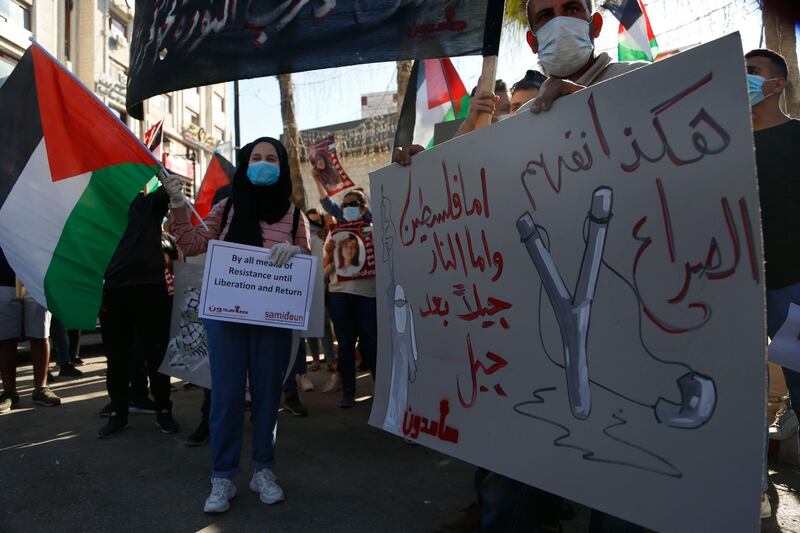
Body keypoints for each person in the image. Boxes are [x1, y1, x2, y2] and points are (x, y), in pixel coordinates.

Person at [164, 137, 310, 514]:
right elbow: (192, 244)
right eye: (257, 158)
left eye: (271, 158)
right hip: (225, 316)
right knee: (226, 397)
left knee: (266, 396)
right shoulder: (226, 209)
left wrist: (297, 253)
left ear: (282, 166)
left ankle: (263, 470)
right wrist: (179, 206)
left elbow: (308, 263)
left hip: (273, 321)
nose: (264, 164)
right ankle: (222, 476)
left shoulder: (295, 217)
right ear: (245, 165)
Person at [747, 47, 800, 520]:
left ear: (776, 85)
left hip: (793, 292)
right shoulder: (724, 145)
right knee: (744, 393)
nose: (739, 80)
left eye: (750, 73)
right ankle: (754, 490)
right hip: (740, 292)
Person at [97, 186, 178, 438]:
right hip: (112, 290)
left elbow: (168, 186)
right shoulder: (99, 206)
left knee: (156, 354)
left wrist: (170, 184)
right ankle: (118, 413)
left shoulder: (152, 202)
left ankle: (163, 409)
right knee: (117, 357)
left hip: (151, 289)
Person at [323, 189, 377, 408]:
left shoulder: (374, 232)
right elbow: (324, 271)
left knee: (372, 344)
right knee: (345, 345)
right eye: (344, 205)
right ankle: (348, 392)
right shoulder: (334, 234)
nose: (348, 208)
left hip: (368, 296)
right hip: (339, 296)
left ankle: (380, 391)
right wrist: (330, 256)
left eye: (353, 204)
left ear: (364, 208)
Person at [0, 250, 60, 413]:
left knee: (40, 336)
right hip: (4, 278)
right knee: (5, 339)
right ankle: (9, 392)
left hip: (36, 279)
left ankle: (41, 388)